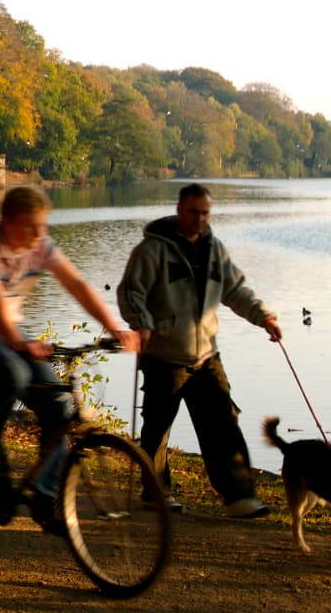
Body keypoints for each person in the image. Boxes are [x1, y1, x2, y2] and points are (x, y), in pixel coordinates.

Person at [0, 186, 139, 531]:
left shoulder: (39, 245)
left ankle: (44, 493)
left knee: (59, 404)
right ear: (8, 221)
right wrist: (18, 341)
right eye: (31, 226)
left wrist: (114, 328)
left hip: (5, 328)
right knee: (12, 375)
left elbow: (77, 285)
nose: (39, 234)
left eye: (43, 226)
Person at [117, 182, 283, 518]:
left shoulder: (214, 249)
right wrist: (142, 323)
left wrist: (264, 317)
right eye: (194, 212)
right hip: (163, 355)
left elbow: (235, 290)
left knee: (223, 421)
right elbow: (131, 293)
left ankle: (239, 497)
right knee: (158, 429)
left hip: (207, 354)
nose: (200, 219)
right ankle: (155, 493)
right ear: (179, 209)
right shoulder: (152, 250)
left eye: (206, 213)